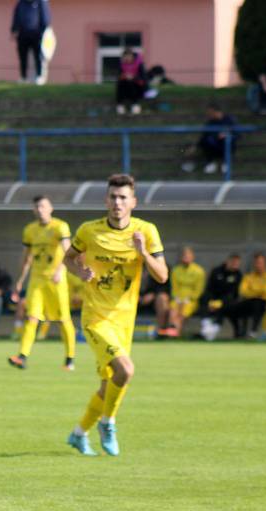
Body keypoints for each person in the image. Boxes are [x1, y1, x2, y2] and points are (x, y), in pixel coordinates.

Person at [63, 174, 167, 456]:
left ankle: (78, 433)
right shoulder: (89, 230)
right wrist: (79, 271)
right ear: (106, 200)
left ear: (133, 201)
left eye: (123, 197)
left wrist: (143, 252)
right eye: (113, 197)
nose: (118, 202)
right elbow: (68, 258)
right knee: (126, 370)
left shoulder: (145, 231)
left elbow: (162, 275)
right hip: (96, 317)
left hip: (124, 321)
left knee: (109, 383)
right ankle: (108, 423)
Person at [8, 195, 76, 371]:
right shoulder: (30, 230)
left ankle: (69, 359)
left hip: (56, 281)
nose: (40, 210)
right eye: (37, 207)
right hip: (37, 280)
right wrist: (20, 281)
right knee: (32, 318)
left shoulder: (60, 227)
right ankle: (22, 357)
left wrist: (60, 271)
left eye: (43, 206)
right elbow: (26, 259)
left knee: (62, 319)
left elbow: (68, 252)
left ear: (51, 208)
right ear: (34, 210)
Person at [181, 104, 238, 175]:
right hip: (214, 144)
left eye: (210, 113)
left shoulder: (229, 120)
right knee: (206, 141)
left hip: (226, 144)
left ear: (215, 112)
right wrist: (195, 146)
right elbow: (204, 135)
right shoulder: (210, 122)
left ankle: (225, 163)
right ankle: (211, 163)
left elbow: (237, 134)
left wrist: (226, 135)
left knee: (227, 140)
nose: (208, 114)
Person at [198, 253, 243, 341]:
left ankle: (214, 329)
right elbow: (209, 288)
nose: (235, 265)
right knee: (203, 298)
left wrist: (220, 303)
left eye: (237, 264)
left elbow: (234, 294)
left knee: (226, 307)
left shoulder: (238, 275)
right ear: (227, 262)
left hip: (227, 302)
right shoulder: (216, 271)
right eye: (233, 263)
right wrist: (212, 302)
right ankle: (206, 324)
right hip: (213, 299)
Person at [166, 246, 205, 337]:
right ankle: (173, 332)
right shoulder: (176, 270)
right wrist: (177, 298)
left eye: (188, 256)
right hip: (178, 298)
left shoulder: (199, 271)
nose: (186, 259)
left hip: (191, 300)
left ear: (192, 257)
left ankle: (175, 334)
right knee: (173, 310)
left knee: (183, 312)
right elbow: (174, 287)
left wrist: (190, 298)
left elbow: (199, 289)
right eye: (184, 256)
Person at [11, 0, 51, 85]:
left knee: (38, 57)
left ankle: (39, 76)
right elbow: (16, 17)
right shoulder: (21, 3)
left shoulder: (40, 2)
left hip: (37, 35)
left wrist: (45, 31)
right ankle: (23, 77)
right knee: (23, 57)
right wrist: (14, 30)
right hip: (23, 34)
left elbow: (45, 18)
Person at [234, 252, 266, 337]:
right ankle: (241, 332)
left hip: (265, 302)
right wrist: (258, 293)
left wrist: (253, 291)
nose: (258, 265)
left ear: (264, 264)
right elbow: (243, 291)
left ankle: (253, 331)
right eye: (256, 263)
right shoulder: (248, 277)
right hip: (250, 301)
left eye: (260, 263)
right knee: (238, 306)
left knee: (257, 304)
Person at [138, 268, 171, 337]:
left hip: (152, 299)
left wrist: (153, 294)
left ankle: (161, 331)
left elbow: (164, 285)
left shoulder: (161, 266)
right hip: (131, 297)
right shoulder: (130, 264)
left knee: (162, 298)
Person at [116, 48, 147, 115]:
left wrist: (134, 77)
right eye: (125, 57)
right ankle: (120, 105)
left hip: (138, 86)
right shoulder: (121, 64)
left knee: (132, 82)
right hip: (125, 85)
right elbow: (118, 76)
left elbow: (143, 78)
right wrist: (124, 76)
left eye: (129, 56)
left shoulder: (140, 64)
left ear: (132, 56)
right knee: (121, 83)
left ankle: (135, 104)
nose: (127, 59)